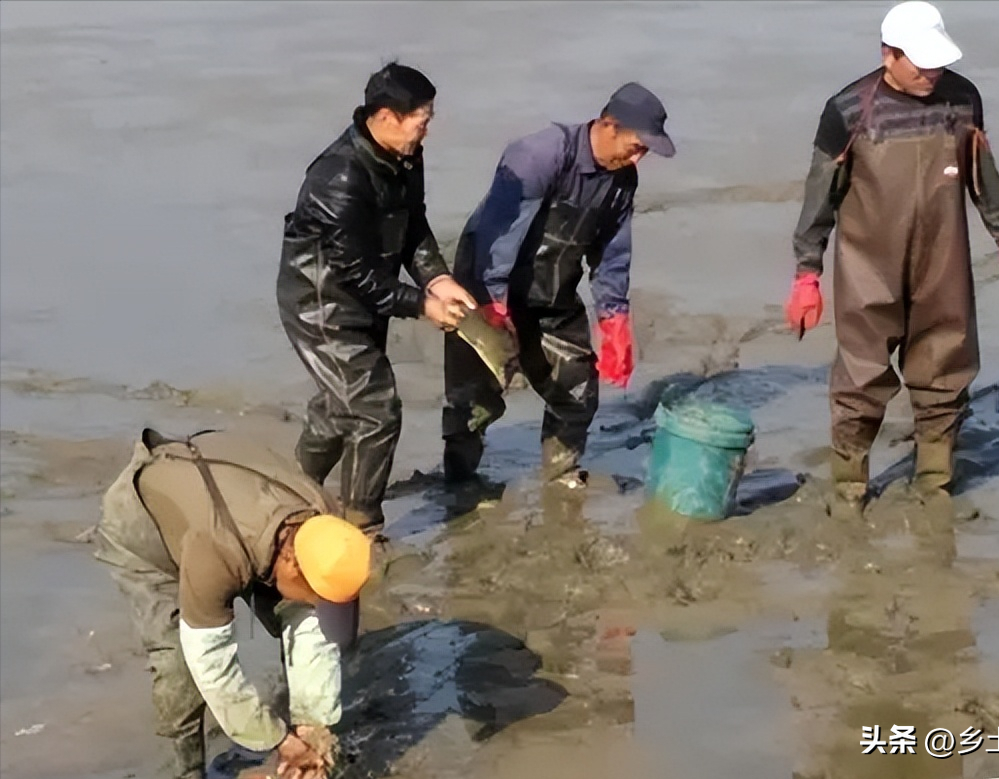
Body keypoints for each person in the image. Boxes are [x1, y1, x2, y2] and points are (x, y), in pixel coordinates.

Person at [785, 0, 999, 505]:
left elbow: (983, 177)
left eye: (938, 61)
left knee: (945, 371)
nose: (932, 73)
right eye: (920, 63)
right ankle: (849, 490)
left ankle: (935, 485)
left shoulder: (964, 99)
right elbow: (820, 196)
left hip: (942, 262)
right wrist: (806, 272)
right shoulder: (848, 111)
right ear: (889, 55)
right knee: (861, 380)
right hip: (868, 267)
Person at [93, 428, 373, 779]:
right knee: (179, 668)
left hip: (229, 494)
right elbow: (212, 666)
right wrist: (276, 740)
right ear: (289, 565)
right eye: (317, 594)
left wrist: (312, 729)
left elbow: (315, 634)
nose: (319, 604)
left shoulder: (327, 523)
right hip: (142, 526)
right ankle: (186, 771)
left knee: (298, 614)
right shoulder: (218, 553)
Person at [442, 82, 675, 488]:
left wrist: (614, 317)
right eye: (636, 146)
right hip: (487, 282)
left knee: (578, 389)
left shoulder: (623, 181)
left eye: (646, 151)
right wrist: (492, 307)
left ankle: (562, 475)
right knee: (475, 400)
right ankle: (459, 483)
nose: (639, 157)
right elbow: (499, 236)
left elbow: (612, 253)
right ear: (609, 125)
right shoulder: (540, 155)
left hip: (552, 291)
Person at [277, 61, 477, 529]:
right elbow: (356, 274)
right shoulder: (339, 178)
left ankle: (284, 493)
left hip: (368, 296)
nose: (426, 131)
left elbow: (414, 223)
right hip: (322, 304)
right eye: (421, 121)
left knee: (339, 407)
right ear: (386, 117)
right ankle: (361, 527)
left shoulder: (406, 157)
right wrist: (423, 306)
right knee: (375, 410)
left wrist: (437, 278)